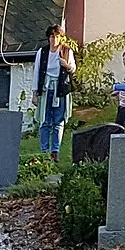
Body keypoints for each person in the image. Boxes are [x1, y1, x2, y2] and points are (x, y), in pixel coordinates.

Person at [34, 25, 77, 157]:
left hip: (60, 89)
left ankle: (55, 151)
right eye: (52, 36)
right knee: (44, 121)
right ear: (48, 38)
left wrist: (66, 65)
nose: (54, 39)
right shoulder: (42, 52)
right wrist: (35, 93)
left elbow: (73, 69)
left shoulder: (66, 51)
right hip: (46, 89)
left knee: (58, 121)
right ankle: (44, 151)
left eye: (57, 36)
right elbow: (37, 72)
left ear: (61, 38)